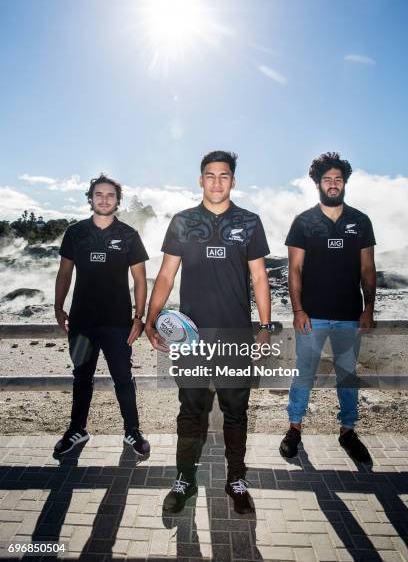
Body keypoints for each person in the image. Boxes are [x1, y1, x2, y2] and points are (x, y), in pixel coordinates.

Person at [145, 151, 272, 514]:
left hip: (234, 336)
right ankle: (184, 479)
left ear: (233, 180)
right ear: (200, 180)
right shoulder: (184, 222)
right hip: (191, 338)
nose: (217, 182)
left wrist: (263, 327)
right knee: (190, 410)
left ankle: (236, 479)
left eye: (224, 176)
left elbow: (260, 277)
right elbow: (167, 276)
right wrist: (151, 319)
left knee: (236, 410)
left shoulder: (249, 222)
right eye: (210, 175)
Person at [280, 152, 376, 463]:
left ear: (344, 182)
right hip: (313, 316)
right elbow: (294, 270)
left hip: (350, 316)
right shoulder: (304, 222)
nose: (332, 184)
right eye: (327, 180)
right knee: (304, 374)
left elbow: (368, 269)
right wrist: (298, 310)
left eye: (338, 179)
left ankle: (347, 430)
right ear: (318, 183)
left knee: (347, 376)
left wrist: (369, 308)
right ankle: (294, 427)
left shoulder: (360, 221)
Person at [53, 174, 150, 457]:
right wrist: (58, 307)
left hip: (118, 323)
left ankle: (132, 431)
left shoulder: (129, 235)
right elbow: (64, 273)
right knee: (81, 377)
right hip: (82, 322)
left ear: (117, 201)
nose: (104, 199)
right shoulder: (75, 232)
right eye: (99, 194)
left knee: (123, 377)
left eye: (110, 195)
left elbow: (140, 280)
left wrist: (138, 317)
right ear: (90, 198)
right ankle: (77, 430)